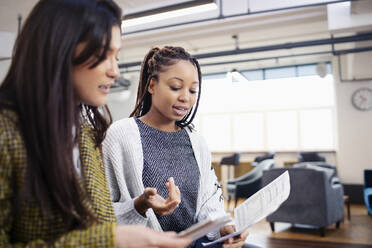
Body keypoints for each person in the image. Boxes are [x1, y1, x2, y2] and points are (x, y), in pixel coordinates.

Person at [0, 1, 191, 247]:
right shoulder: (7, 133)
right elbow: (101, 236)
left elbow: (100, 222)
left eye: (116, 57)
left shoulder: (84, 134)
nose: (114, 71)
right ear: (59, 49)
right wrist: (107, 241)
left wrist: (137, 209)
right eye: (102, 55)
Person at [103, 46, 249, 247]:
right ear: (152, 85)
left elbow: (210, 201)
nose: (186, 97)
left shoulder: (197, 142)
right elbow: (100, 212)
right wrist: (139, 205)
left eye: (192, 90)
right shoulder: (120, 136)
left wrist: (223, 228)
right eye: (175, 87)